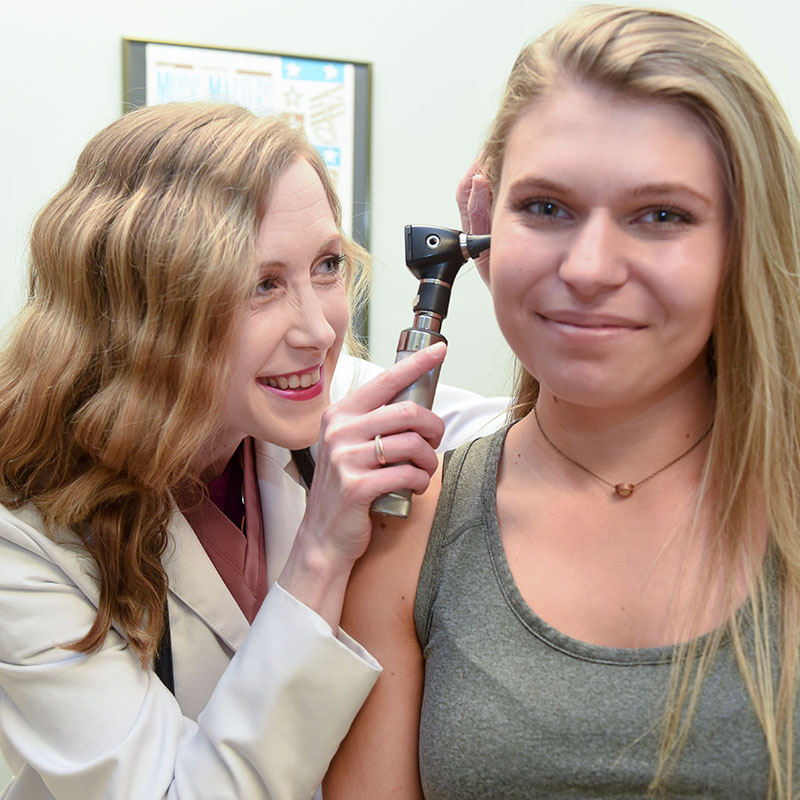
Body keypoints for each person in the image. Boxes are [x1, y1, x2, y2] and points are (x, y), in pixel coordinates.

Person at [323, 5, 800, 798]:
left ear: (746, 242)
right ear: (481, 225)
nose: (588, 267)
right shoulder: (411, 526)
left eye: (661, 215)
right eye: (546, 207)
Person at [0, 102, 506, 799]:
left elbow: (560, 436)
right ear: (142, 307)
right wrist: (321, 555)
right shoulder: (24, 531)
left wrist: (526, 275)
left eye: (326, 266)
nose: (320, 330)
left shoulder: (334, 402)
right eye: (261, 285)